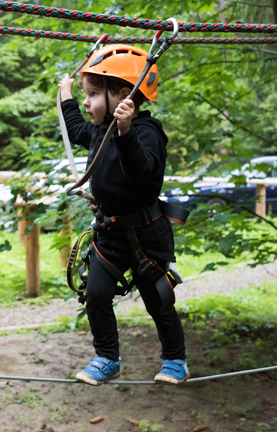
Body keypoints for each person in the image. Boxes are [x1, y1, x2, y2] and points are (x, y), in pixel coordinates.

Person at [58, 44, 188, 386]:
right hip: (110, 234)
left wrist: (125, 131)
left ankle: (175, 360)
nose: (87, 103)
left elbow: (140, 173)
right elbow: (75, 127)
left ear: (122, 95)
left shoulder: (147, 132)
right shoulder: (99, 129)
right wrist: (66, 95)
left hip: (146, 235)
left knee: (158, 300)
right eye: (86, 96)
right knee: (96, 295)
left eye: (93, 95)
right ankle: (107, 358)